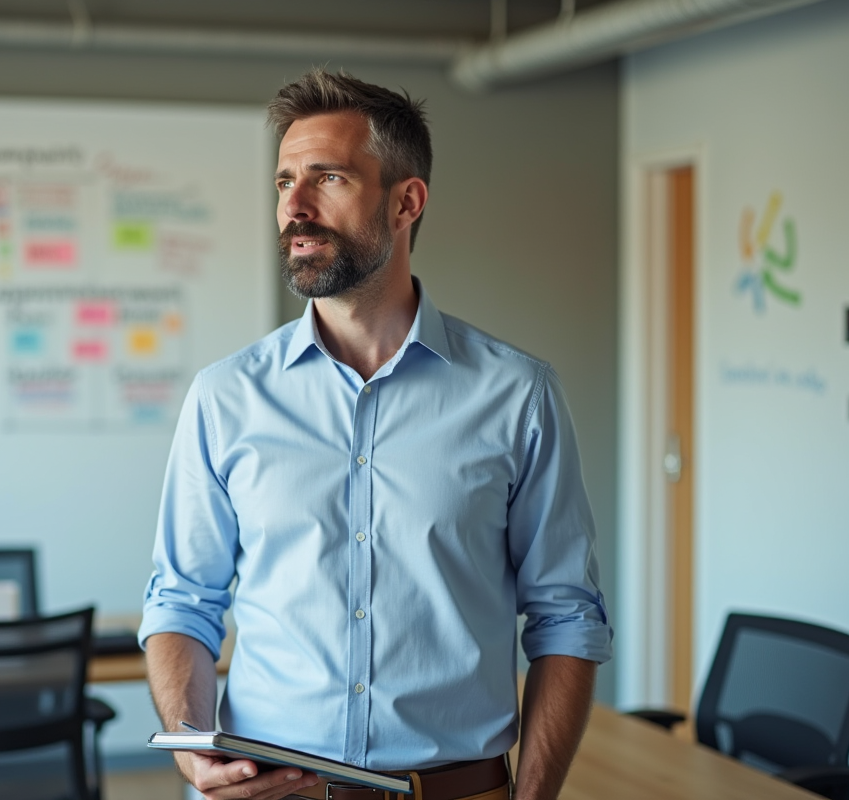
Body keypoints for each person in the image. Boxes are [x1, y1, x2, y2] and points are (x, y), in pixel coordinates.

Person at [139, 69, 612, 800]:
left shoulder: (518, 397)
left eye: (327, 178)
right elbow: (181, 601)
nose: (294, 206)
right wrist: (191, 751)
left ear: (406, 202)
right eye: (284, 181)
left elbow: (566, 616)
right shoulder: (224, 398)